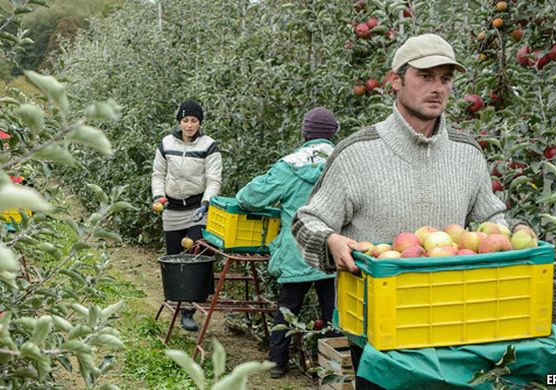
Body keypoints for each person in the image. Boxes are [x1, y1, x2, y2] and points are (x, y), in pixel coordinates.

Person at [291, 34, 524, 389]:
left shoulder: (467, 153)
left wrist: (510, 237)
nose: (437, 88)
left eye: (445, 79)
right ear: (395, 81)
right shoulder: (358, 153)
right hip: (381, 334)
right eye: (425, 76)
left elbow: (493, 220)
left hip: (456, 327)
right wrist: (333, 242)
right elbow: (307, 222)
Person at [235, 107, 339, 379]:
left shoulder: (290, 165)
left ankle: (277, 363)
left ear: (305, 132)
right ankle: (334, 367)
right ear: (333, 134)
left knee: (288, 307)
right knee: (335, 313)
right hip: (334, 251)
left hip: (299, 250)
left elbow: (251, 198)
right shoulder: (344, 162)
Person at [151, 100, 222, 331]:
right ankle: (180, 301)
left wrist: (206, 202)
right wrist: (158, 196)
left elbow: (214, 179)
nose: (189, 125)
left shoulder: (208, 145)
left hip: (197, 210)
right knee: (174, 256)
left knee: (194, 253)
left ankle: (189, 309)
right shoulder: (166, 144)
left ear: (200, 123)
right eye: (185, 120)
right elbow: (158, 173)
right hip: (172, 209)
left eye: (194, 120)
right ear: (179, 122)